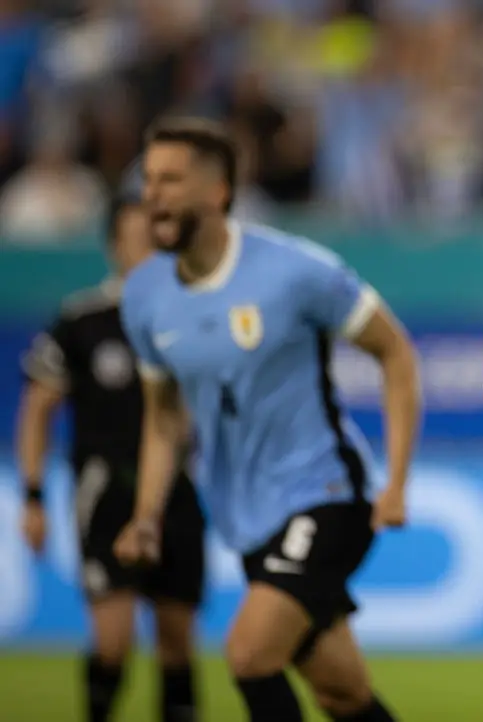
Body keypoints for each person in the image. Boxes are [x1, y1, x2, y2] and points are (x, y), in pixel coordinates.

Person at [114, 117, 421, 722]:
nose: (152, 194)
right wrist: (146, 516)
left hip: (325, 492)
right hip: (246, 517)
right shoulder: (144, 295)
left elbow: (396, 353)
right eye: (148, 180)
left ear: (218, 191)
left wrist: (397, 481)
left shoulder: (295, 271)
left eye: (170, 180)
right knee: (343, 694)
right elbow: (164, 418)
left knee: (250, 654)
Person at [18, 196, 206, 722]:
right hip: (106, 493)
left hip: (179, 492)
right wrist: (32, 494)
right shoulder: (84, 320)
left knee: (177, 644)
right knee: (113, 641)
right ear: (113, 246)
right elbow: (37, 409)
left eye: (155, 235)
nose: (145, 246)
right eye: (134, 236)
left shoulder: (191, 316)